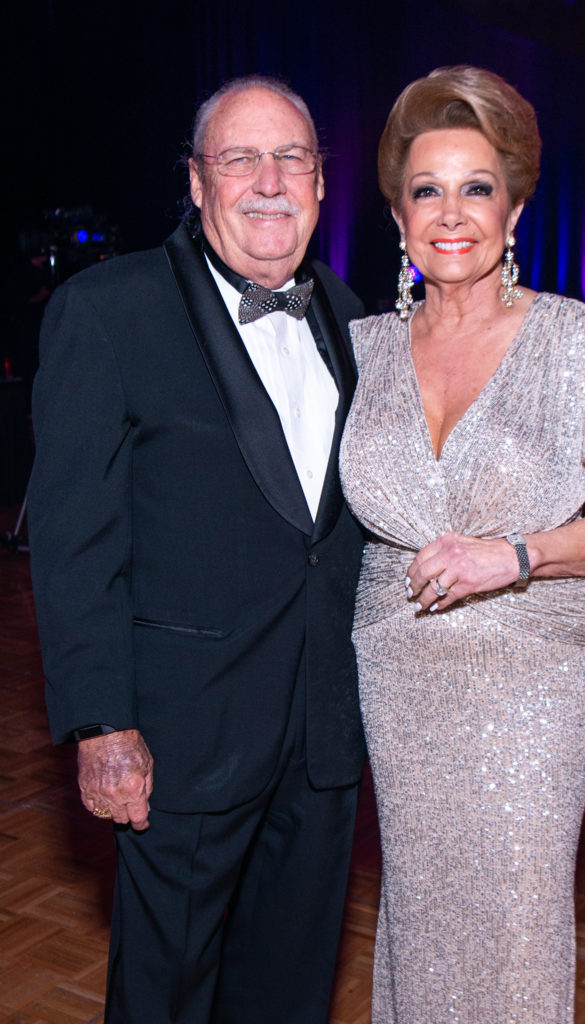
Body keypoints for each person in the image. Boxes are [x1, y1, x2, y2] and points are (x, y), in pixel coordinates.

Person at [28, 75, 366, 1024]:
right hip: (180, 736)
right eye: (238, 158)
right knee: (164, 994)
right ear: (195, 180)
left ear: (322, 181)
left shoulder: (357, 318)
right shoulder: (108, 309)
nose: (268, 181)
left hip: (324, 730)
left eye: (290, 157)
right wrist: (102, 725)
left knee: (290, 988)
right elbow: (71, 541)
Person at [339, 66, 585, 1024]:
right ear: (397, 218)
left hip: (532, 676)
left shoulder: (570, 337)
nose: (451, 212)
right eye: (425, 190)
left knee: (514, 912)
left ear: (514, 209)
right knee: (422, 909)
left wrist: (510, 555)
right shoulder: (356, 348)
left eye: (476, 187)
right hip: (397, 671)